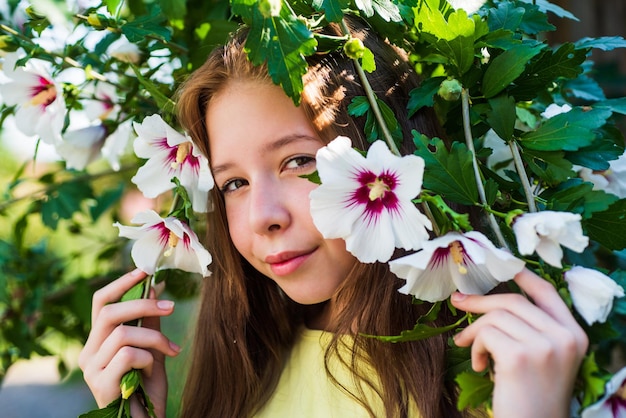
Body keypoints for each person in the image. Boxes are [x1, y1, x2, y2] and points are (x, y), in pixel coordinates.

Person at [78, 17, 589, 418]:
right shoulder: (238, 373)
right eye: (234, 182)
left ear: (388, 160)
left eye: (298, 161)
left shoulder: (493, 372)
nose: (263, 217)